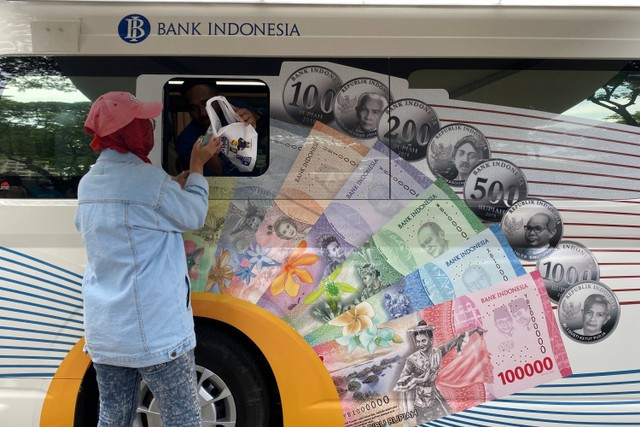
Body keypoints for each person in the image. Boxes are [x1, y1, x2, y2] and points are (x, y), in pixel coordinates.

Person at [75, 91, 220, 427]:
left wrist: (169, 186)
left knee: (113, 416)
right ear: (128, 131)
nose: (150, 127)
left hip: (107, 332)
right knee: (182, 418)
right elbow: (194, 215)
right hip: (157, 333)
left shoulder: (88, 184)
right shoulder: (148, 181)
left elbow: (119, 215)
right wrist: (197, 168)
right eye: (143, 122)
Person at [393, 321, 484, 423]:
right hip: (418, 401)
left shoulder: (437, 352)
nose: (420, 344)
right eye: (418, 341)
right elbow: (401, 380)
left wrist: (474, 329)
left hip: (435, 396)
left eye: (423, 340)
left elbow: (455, 341)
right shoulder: (412, 359)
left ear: (431, 340)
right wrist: (420, 379)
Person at [175, 80, 266, 176]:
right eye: (193, 107)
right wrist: (209, 159)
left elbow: (274, 122)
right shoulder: (187, 140)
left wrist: (256, 116)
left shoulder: (233, 110)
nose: (202, 113)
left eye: (207, 103)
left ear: (219, 99)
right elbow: (206, 181)